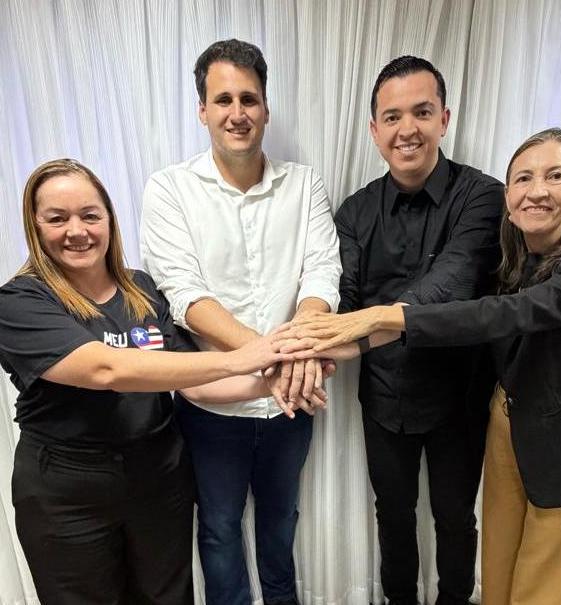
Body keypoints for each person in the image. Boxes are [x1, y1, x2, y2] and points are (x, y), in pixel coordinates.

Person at [286, 128, 561, 605]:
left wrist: (381, 317)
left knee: (543, 587)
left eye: (555, 176)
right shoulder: (511, 265)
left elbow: (503, 314)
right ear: (509, 196)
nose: (536, 191)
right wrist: (324, 344)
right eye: (523, 178)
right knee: (497, 576)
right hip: (504, 424)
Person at [0, 158, 301, 605]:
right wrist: (244, 358)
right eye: (57, 218)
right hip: (69, 493)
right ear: (35, 226)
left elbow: (193, 383)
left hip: (159, 480)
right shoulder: (21, 300)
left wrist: (271, 385)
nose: (77, 231)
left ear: (109, 219)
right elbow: (107, 370)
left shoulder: (140, 288)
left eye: (89, 215)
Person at [140, 39, 341, 605]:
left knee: (281, 526)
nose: (237, 112)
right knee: (220, 530)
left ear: (266, 109)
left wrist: (286, 361)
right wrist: (277, 358)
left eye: (248, 99)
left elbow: (321, 276)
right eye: (223, 100)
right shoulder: (169, 189)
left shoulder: (305, 184)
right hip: (213, 407)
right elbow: (186, 296)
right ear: (202, 110)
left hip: (290, 403)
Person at [329, 55, 504, 605]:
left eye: (422, 112)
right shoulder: (354, 213)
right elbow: (344, 300)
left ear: (444, 119)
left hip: (461, 395)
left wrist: (363, 329)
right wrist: (311, 347)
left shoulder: (483, 195)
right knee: (393, 515)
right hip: (385, 396)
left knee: (455, 517)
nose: (408, 129)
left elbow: (453, 282)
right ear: (374, 129)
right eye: (393, 116)